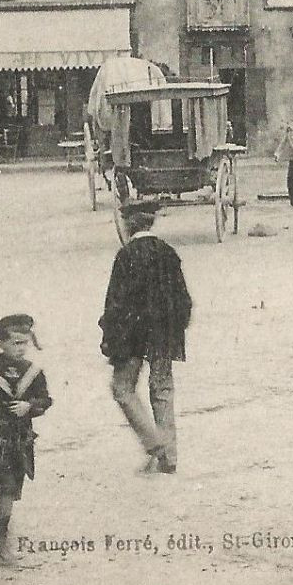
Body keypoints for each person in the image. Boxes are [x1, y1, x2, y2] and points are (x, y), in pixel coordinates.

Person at [101, 198, 194, 473]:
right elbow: (183, 301)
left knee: (122, 389)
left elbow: (115, 303)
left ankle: (155, 443)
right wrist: (174, 329)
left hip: (133, 336)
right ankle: (170, 457)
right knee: (162, 390)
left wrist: (111, 337)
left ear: (128, 225)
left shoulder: (126, 256)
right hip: (164, 335)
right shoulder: (168, 253)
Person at [0, 314, 52, 565]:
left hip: (20, 442)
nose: (21, 348)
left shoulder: (33, 373)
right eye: (16, 343)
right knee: (6, 489)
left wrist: (30, 405)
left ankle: (0, 540)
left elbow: (45, 400)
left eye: (24, 343)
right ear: (2, 344)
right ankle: (1, 542)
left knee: (12, 489)